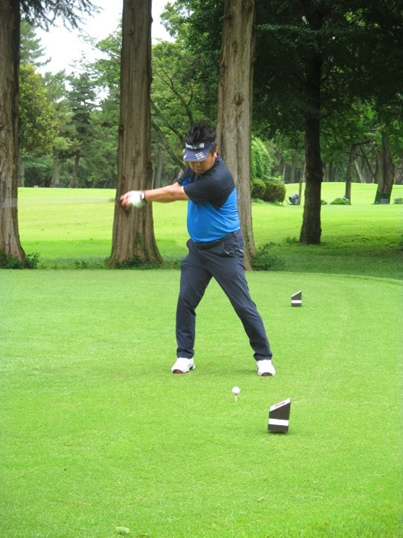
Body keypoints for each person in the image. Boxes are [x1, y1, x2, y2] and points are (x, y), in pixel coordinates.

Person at [120, 122, 275, 376]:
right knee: (186, 301)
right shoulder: (194, 167)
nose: (195, 165)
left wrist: (142, 196)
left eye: (200, 160)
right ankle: (185, 356)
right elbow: (175, 187)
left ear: (215, 152)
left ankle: (264, 358)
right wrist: (147, 196)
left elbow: (175, 195)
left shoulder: (218, 179)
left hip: (224, 249)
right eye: (191, 160)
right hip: (198, 251)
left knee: (241, 304)